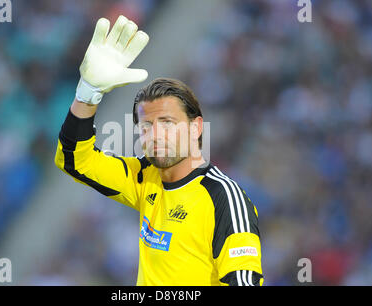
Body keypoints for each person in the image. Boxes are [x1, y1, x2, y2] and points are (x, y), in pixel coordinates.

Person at [54, 15, 263, 286]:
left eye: (167, 123)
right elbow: (75, 161)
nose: (155, 134)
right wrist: (88, 92)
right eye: (146, 125)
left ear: (196, 127)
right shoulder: (145, 177)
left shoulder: (223, 198)